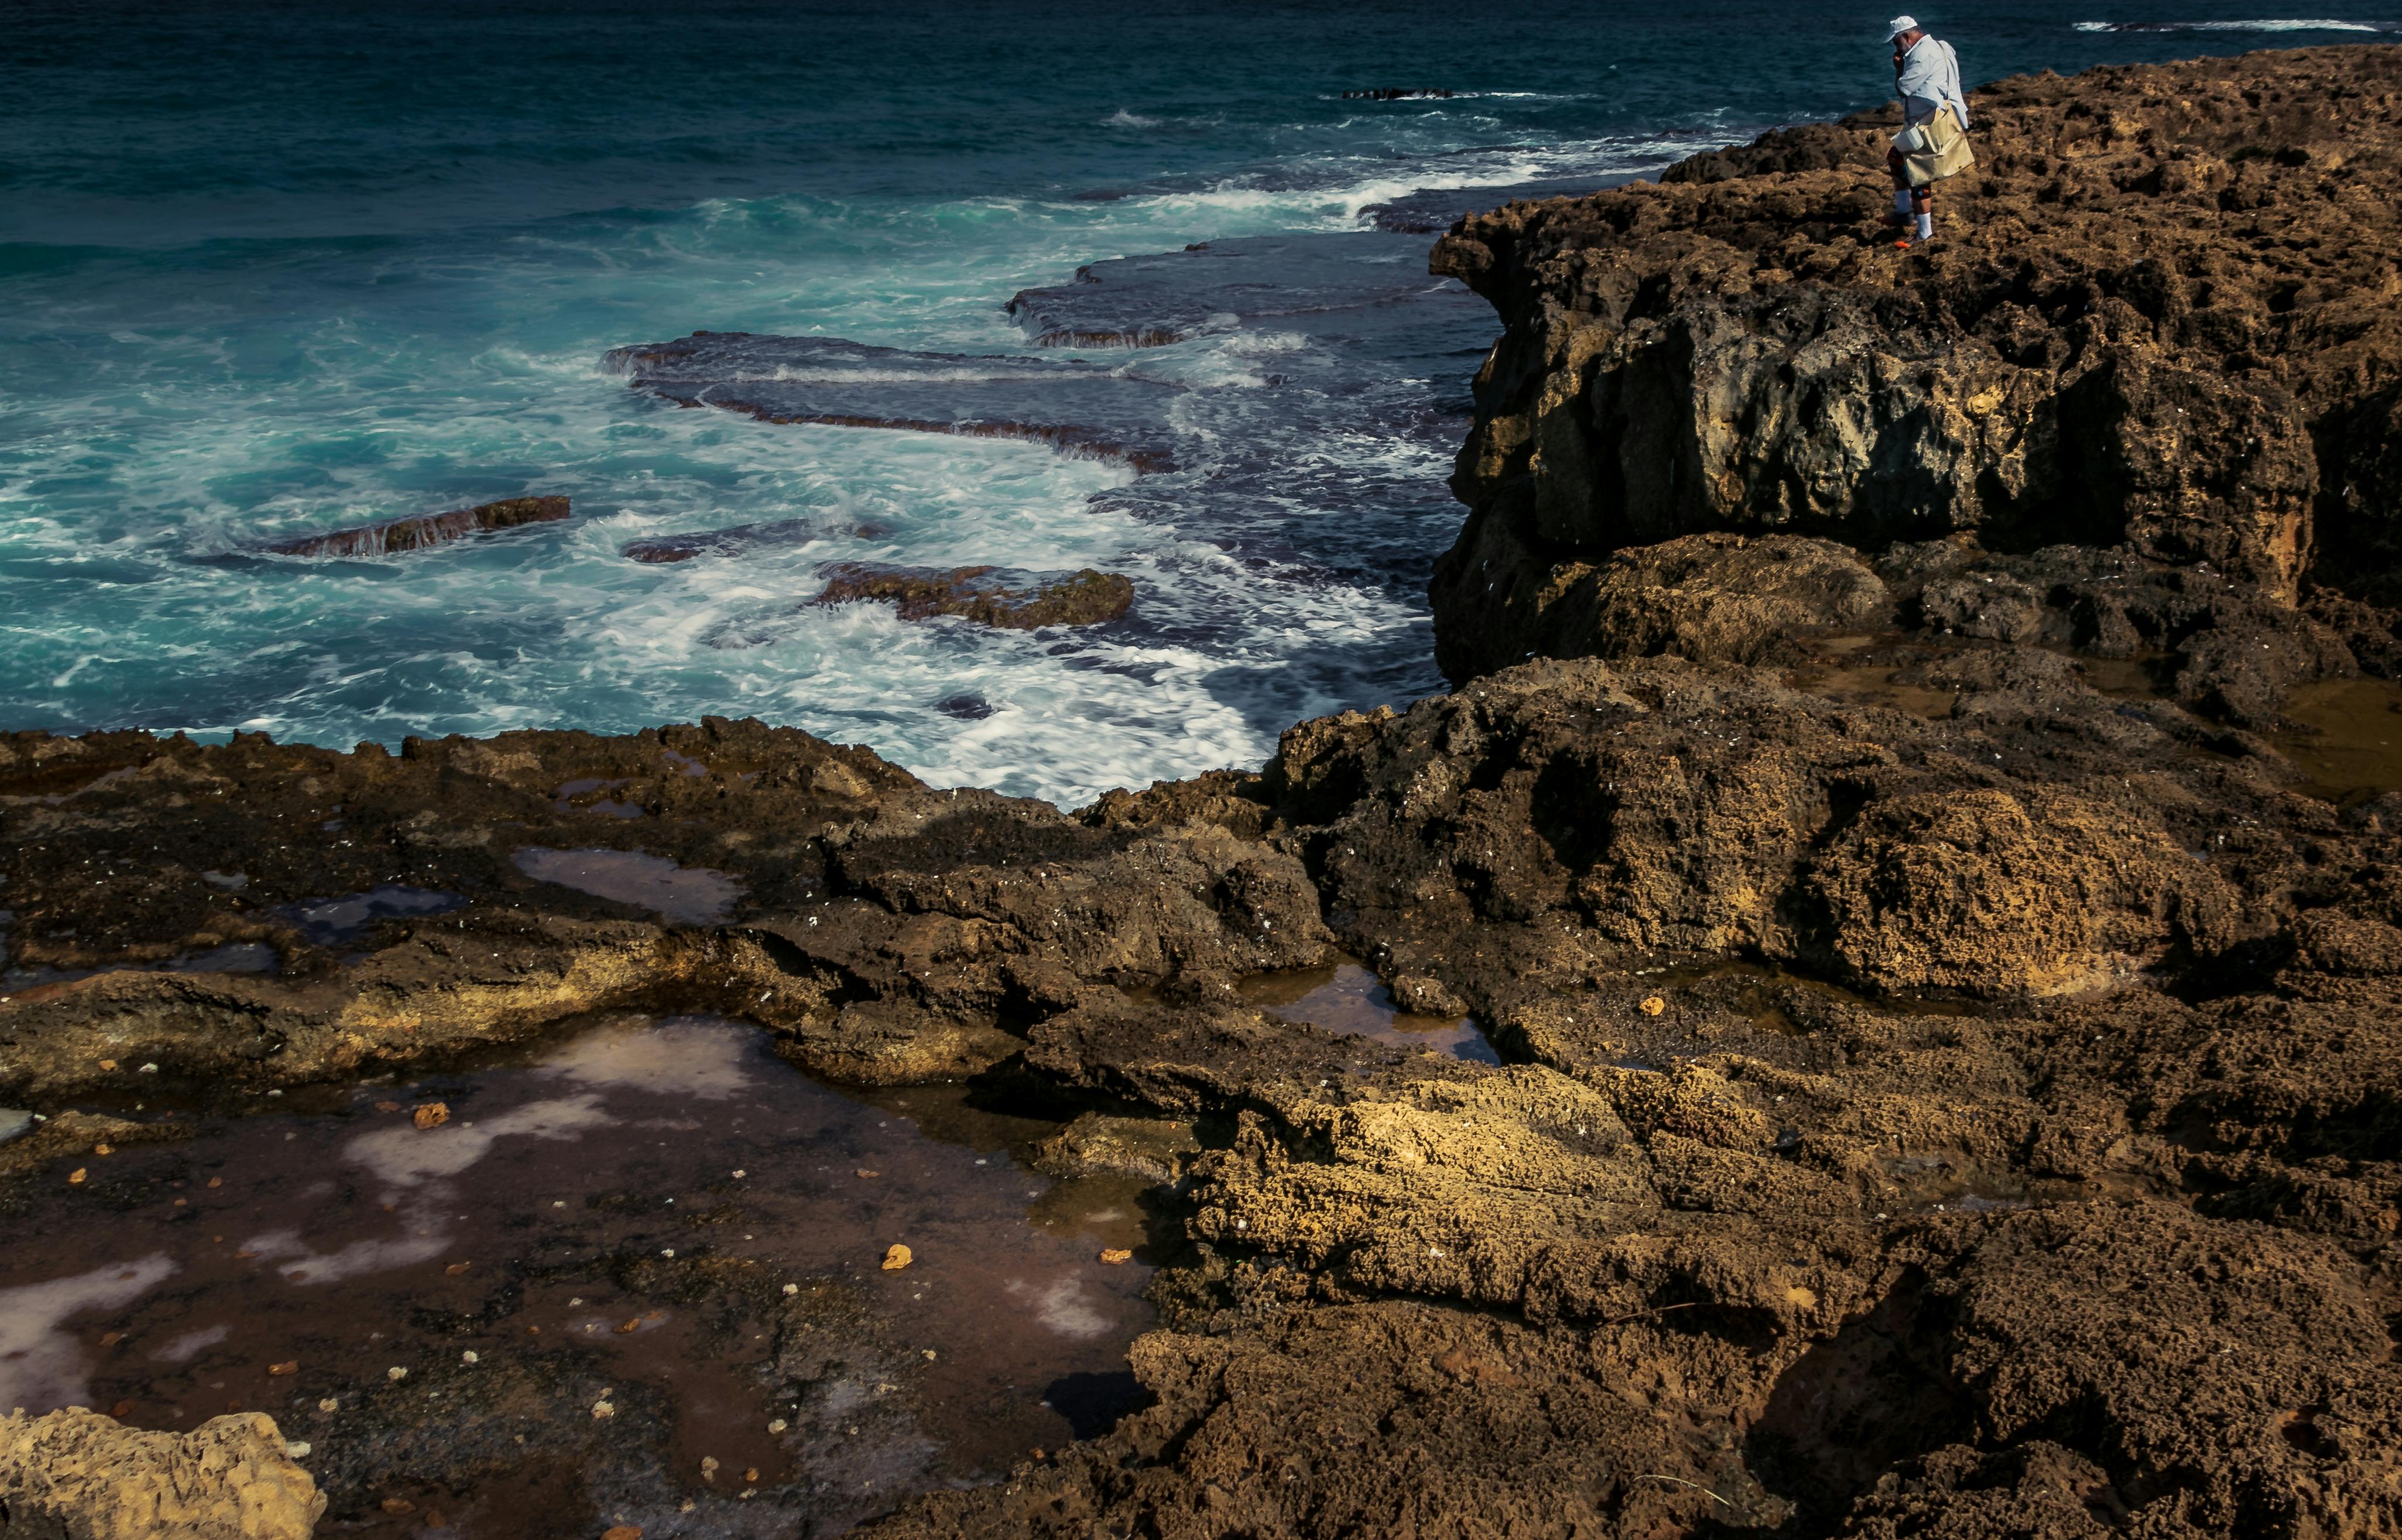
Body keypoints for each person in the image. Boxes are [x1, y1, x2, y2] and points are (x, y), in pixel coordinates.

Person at [1883, 16, 1974, 247]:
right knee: (1896, 158)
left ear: (1907, 37)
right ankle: (1904, 212)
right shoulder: (1941, 47)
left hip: (1930, 123)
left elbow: (1904, 88)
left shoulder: (1923, 55)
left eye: (1896, 42)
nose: (1896, 48)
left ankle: (1924, 233)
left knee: (1918, 175)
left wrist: (1899, 68)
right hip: (1938, 118)